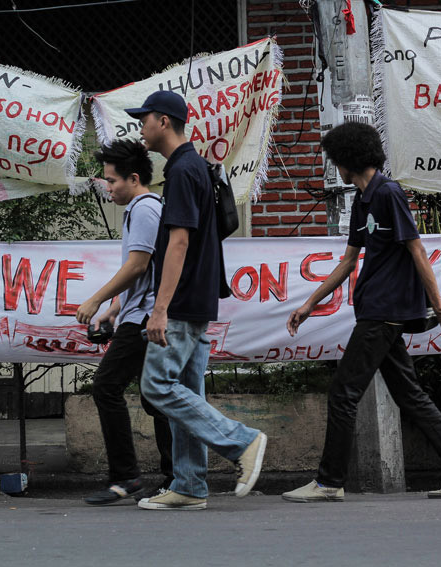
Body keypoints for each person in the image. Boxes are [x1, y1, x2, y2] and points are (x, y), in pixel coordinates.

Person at [281, 122, 441, 503]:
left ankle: (328, 482)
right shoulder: (363, 199)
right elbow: (347, 261)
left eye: (334, 159)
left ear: (347, 159)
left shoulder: (388, 193)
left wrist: (437, 306)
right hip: (375, 309)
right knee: (409, 393)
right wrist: (309, 304)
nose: (332, 166)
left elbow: (417, 249)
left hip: (384, 310)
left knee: (343, 392)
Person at [124, 90, 267, 511]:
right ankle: (189, 485)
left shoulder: (184, 172)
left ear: (163, 121)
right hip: (200, 299)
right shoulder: (194, 167)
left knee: (157, 386)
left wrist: (161, 307)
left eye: (144, 119)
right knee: (186, 393)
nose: (141, 127)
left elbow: (179, 243)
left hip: (184, 302)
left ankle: (243, 441)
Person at [75, 139, 173, 505]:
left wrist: (97, 298)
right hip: (137, 313)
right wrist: (115, 309)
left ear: (134, 178)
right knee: (156, 398)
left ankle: (128, 478)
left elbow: (138, 265)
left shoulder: (144, 208)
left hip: (145, 317)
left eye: (113, 181)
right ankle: (175, 476)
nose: (108, 187)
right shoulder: (144, 207)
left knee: (107, 386)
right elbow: (142, 271)